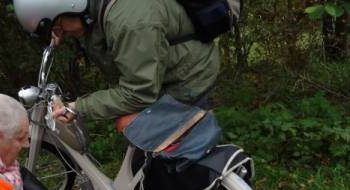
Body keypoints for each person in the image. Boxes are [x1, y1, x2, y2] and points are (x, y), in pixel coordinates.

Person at [13, 0, 220, 120]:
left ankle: (211, 189)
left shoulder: (128, 22)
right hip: (162, 76)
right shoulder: (95, 11)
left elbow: (140, 92)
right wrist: (58, 32)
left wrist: (77, 107)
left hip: (188, 76)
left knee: (166, 158)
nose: (62, 34)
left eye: (59, 26)